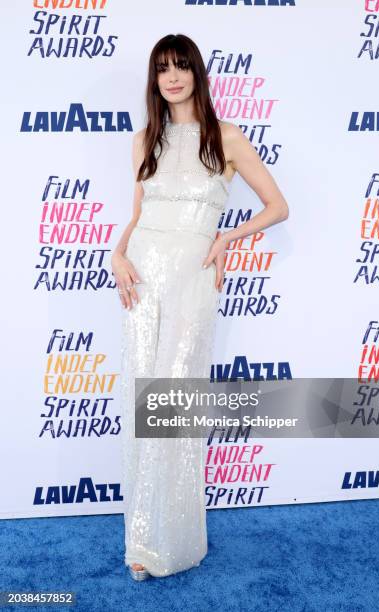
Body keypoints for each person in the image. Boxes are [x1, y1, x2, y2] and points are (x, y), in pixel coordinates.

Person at [111, 33, 289, 581]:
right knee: (145, 401)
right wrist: (116, 253)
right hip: (141, 277)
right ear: (154, 79)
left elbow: (278, 206)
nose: (172, 77)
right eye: (163, 68)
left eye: (181, 66)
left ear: (196, 73)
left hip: (192, 278)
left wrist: (227, 239)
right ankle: (142, 539)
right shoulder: (145, 140)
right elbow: (139, 213)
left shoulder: (226, 137)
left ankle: (177, 541)